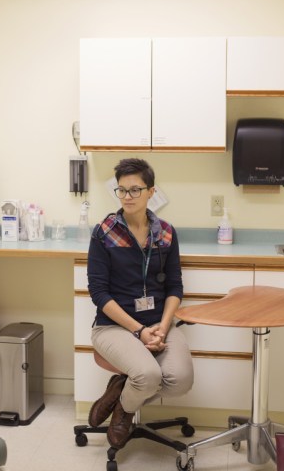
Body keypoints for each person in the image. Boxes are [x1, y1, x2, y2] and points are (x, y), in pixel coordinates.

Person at [86, 158, 193, 449]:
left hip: (159, 323)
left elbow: (175, 286)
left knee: (180, 380)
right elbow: (99, 293)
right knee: (147, 375)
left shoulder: (167, 234)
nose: (128, 197)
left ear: (151, 192)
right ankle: (125, 411)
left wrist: (163, 325)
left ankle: (121, 394)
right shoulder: (104, 233)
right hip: (113, 327)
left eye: (135, 190)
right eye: (121, 190)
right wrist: (138, 331)